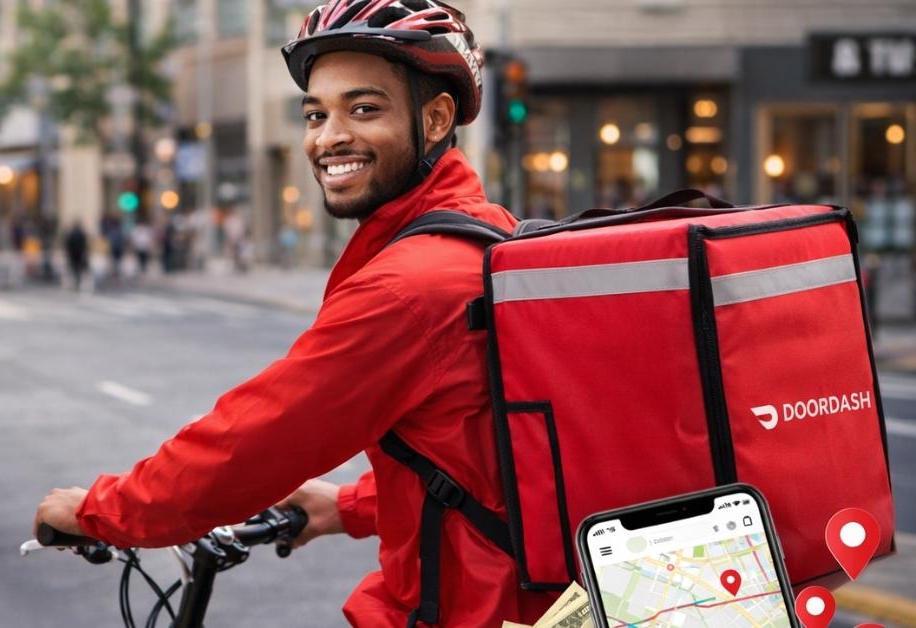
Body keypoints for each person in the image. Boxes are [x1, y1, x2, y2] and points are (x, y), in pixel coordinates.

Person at [34, 1, 548, 625]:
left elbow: (252, 443)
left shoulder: (409, 287)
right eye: (315, 113)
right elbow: (492, 455)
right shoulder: (489, 234)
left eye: (364, 109)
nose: (329, 137)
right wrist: (350, 506)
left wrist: (101, 509)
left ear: (437, 118)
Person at [64, 222, 89, 291]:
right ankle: (77, 282)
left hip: (73, 253)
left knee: (73, 268)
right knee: (78, 269)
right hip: (79, 253)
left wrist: (68, 252)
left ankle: (74, 282)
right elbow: (85, 244)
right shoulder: (82, 234)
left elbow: (68, 244)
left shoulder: (71, 234)